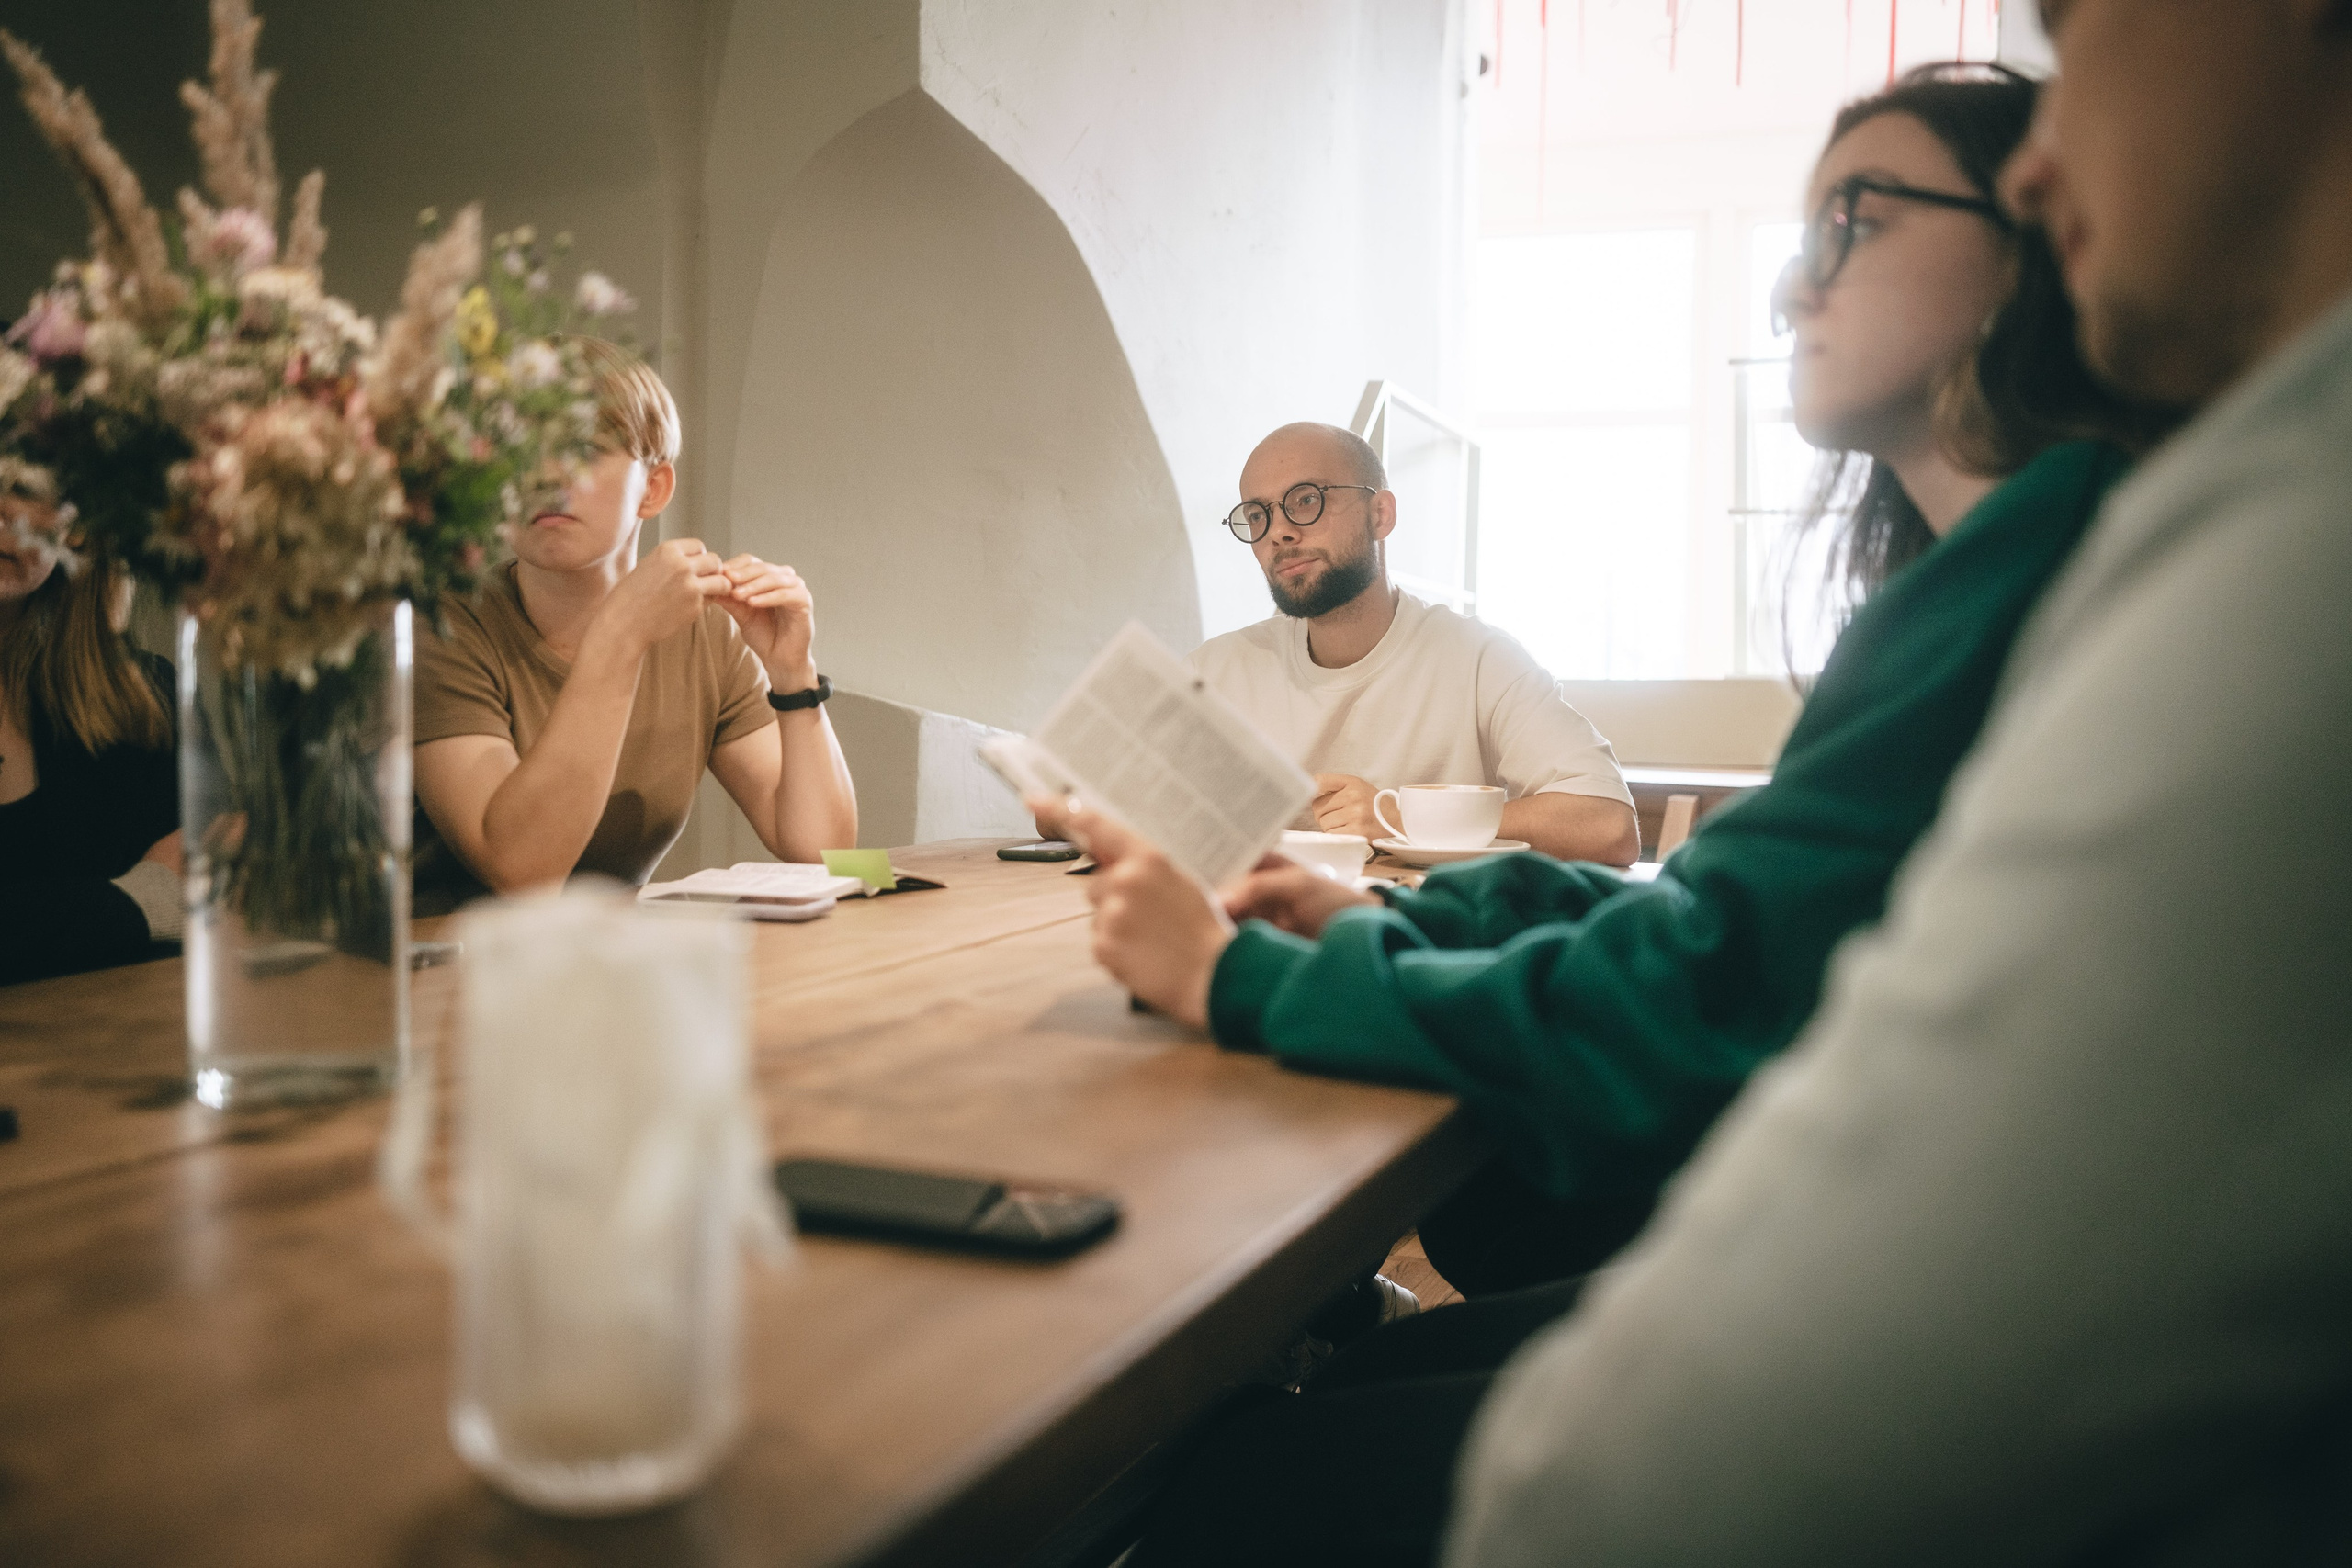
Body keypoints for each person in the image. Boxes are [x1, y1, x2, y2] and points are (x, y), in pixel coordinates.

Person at [1081, 62, 2177, 1567]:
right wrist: (1396, 916)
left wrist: (1241, 978)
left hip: (1925, 1293)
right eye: (1257, 515)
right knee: (1434, 1286)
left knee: (1251, 1478)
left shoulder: (2048, 563)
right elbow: (1724, 919)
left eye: (1856, 218)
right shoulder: (1957, 580)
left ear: (2038, 225)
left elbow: (1683, 945)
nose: (1790, 283)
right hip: (1874, 1220)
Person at [1437, 0, 2352, 1561]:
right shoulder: (2154, 528)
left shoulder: (2215, 543)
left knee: (1271, 1455)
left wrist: (1273, 979)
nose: (2051, 163)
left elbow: (1613, 1486)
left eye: (2077, 27)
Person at [413, 341, 856, 913]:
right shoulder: (443, 624)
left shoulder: (705, 632)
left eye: (582, 450)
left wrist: (794, 673)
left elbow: (823, 852)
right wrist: (621, 636)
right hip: (444, 960)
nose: (544, 476)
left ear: (653, 489)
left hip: (607, 956)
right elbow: (522, 870)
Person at [1188, 422, 1637, 864]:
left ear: (1380, 515)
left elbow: (1609, 824)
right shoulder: (1213, 673)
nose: (1277, 532)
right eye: (1257, 515)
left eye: (1306, 500)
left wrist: (1404, 820)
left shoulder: (1478, 658)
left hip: (1416, 913)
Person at [0, 498, 182, 986]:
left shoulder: (142, 698)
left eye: (24, 483)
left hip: (126, 1026)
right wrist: (138, 904)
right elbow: (166, 902)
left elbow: (201, 883)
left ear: (77, 528)